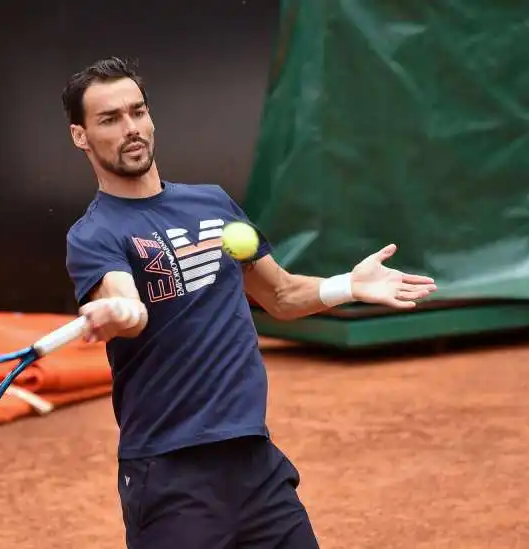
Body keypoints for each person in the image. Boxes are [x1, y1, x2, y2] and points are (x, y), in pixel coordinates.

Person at [60, 57, 437, 549]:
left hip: (255, 464)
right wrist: (119, 312)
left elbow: (279, 296)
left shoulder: (212, 203)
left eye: (138, 111)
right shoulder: (94, 235)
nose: (131, 129)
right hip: (171, 474)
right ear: (80, 136)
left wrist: (348, 285)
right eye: (110, 119)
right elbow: (127, 304)